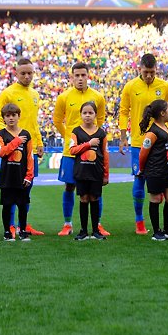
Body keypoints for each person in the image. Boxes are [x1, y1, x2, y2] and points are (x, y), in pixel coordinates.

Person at [53, 62, 109, 237]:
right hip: (72, 152)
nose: (80, 78)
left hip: (93, 153)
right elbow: (57, 121)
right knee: (69, 186)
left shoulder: (98, 97)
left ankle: (97, 224)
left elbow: (100, 121)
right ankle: (67, 224)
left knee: (95, 188)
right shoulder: (64, 97)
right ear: (72, 77)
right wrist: (69, 137)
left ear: (88, 76)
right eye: (76, 75)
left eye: (83, 75)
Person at [119, 53, 168, 235]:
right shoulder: (130, 86)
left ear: (156, 69)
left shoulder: (165, 87)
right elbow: (124, 111)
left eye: (152, 72)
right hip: (138, 141)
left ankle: (163, 224)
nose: (149, 75)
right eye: (145, 72)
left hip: (160, 142)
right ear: (139, 69)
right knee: (139, 178)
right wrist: (122, 136)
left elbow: (167, 113)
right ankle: (139, 222)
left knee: (163, 179)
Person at [0, 58, 44, 236]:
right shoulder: (8, 92)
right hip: (12, 148)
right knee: (11, 188)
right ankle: (11, 225)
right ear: (16, 74)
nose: (27, 76)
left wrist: (39, 142)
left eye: (30, 73)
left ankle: (23, 224)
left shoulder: (35, 94)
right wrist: (7, 138)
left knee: (26, 186)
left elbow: (34, 122)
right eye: (23, 73)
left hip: (29, 147)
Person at [138, 99, 168, 241]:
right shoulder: (152, 132)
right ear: (162, 113)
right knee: (155, 199)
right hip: (155, 170)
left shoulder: (165, 127)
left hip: (167, 170)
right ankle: (157, 232)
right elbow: (143, 153)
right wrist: (142, 169)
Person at [68, 101, 110, 241]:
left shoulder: (101, 133)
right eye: (84, 113)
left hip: (96, 172)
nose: (87, 115)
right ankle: (83, 231)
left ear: (95, 115)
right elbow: (72, 150)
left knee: (94, 198)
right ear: (80, 115)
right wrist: (88, 144)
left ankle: (96, 230)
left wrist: (106, 175)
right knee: (84, 198)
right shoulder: (76, 132)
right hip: (81, 171)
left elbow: (105, 154)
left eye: (90, 113)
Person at [0, 103, 34, 242]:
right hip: (7, 177)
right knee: (7, 205)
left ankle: (22, 230)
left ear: (19, 116)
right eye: (7, 116)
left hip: (22, 176)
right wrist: (16, 142)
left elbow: (29, 156)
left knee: (22, 205)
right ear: (4, 118)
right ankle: (7, 231)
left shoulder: (26, 134)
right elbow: (1, 152)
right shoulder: (1, 134)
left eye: (13, 115)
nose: (11, 118)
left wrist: (29, 175)